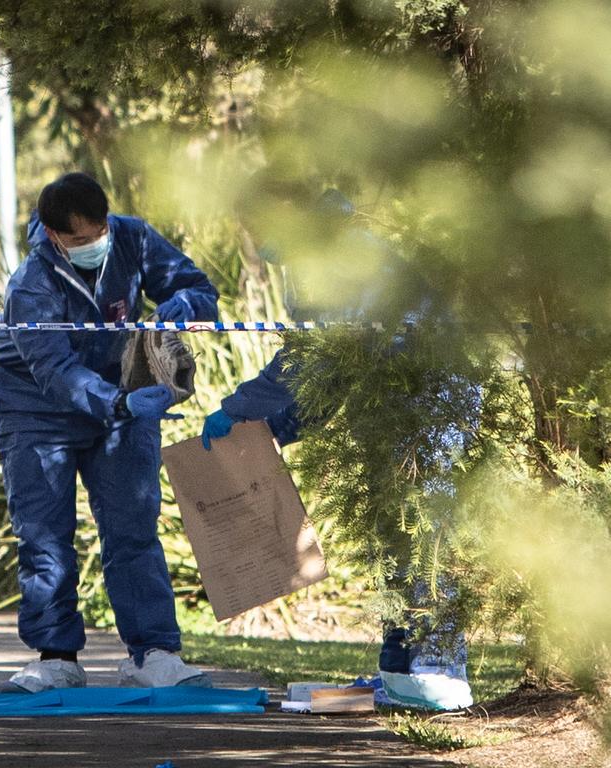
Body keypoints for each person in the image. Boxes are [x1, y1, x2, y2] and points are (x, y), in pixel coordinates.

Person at [200, 188, 475, 710]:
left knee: (426, 535)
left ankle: (440, 672)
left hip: (431, 400)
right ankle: (401, 674)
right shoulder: (308, 268)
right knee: (393, 538)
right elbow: (329, 378)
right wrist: (275, 429)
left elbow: (310, 363)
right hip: (385, 405)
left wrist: (240, 407)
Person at [0, 172, 220, 693]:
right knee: (45, 534)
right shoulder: (31, 285)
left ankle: (153, 653)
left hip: (122, 397)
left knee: (133, 527)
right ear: (52, 236)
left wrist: (185, 304)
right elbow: (55, 371)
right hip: (35, 408)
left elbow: (201, 289)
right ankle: (56, 657)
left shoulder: (132, 238)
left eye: (99, 233)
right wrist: (118, 402)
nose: (94, 245)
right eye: (78, 241)